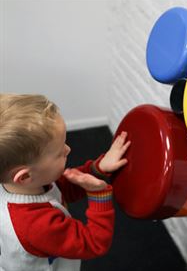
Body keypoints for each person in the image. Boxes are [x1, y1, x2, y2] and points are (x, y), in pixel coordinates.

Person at [0, 93, 131, 271]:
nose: (69, 149)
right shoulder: (36, 226)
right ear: (24, 177)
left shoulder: (25, 184)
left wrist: (97, 168)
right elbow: (93, 243)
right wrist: (99, 195)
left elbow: (61, 187)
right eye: (59, 152)